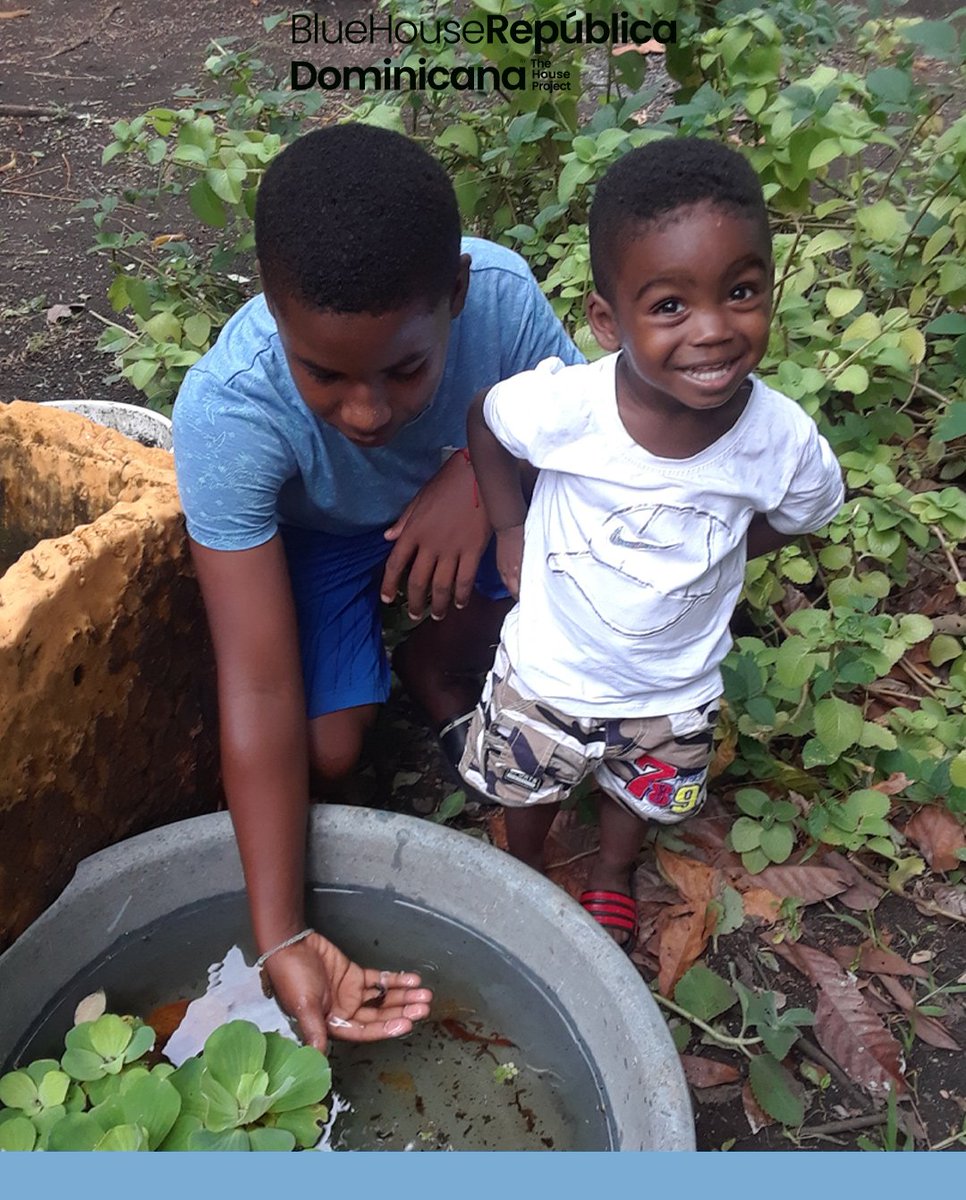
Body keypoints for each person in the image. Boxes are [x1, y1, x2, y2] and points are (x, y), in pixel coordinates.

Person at [172, 124, 582, 1049]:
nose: (368, 411)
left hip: (468, 499)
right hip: (318, 542)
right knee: (323, 750)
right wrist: (279, 930)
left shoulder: (505, 302)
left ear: (456, 299)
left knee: (558, 563)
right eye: (325, 374)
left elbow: (588, 455)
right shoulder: (230, 413)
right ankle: (396, 659)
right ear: (275, 316)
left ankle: (442, 665)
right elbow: (258, 678)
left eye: (406, 369)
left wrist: (482, 474)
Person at [461, 136, 845, 947]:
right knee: (525, 792)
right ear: (607, 320)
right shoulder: (569, 409)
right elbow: (487, 425)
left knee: (636, 796)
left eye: (740, 291)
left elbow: (808, 507)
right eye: (670, 305)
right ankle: (524, 868)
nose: (712, 330)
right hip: (549, 673)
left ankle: (609, 873)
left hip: (671, 691)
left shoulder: (779, 439)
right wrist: (508, 525)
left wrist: (729, 543)